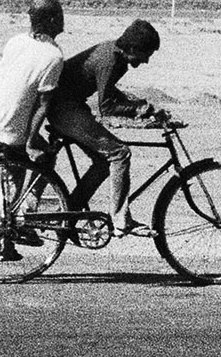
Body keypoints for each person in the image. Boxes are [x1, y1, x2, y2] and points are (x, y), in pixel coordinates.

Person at [47, 19, 163, 232]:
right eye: (146, 54)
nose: (146, 61)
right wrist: (139, 109)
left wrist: (140, 106)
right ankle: (121, 220)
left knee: (102, 163)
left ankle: (67, 214)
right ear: (133, 48)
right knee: (120, 153)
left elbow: (107, 90)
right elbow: (107, 107)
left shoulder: (115, 55)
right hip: (64, 110)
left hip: (71, 107)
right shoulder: (109, 60)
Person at [0, 0, 65, 256]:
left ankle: (2, 244)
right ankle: (25, 218)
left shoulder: (15, 42)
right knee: (46, 160)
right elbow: (43, 106)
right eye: (59, 15)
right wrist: (31, 140)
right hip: (12, 131)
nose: (62, 20)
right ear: (49, 20)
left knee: (10, 181)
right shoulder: (53, 56)